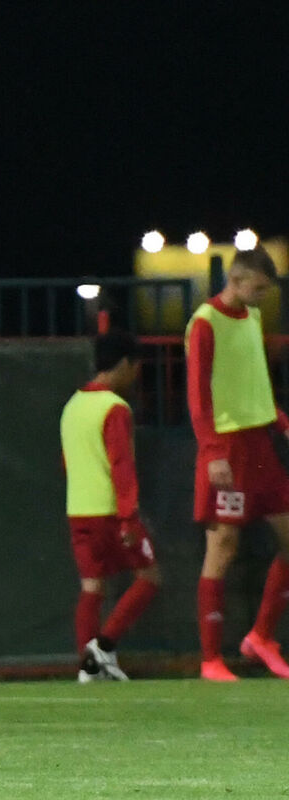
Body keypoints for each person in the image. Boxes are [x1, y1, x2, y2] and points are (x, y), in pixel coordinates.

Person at [187, 245, 289, 682]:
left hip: (259, 446)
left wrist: (282, 422)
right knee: (223, 546)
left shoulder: (253, 317)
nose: (263, 296)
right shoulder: (205, 322)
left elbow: (253, 383)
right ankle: (211, 659)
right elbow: (197, 395)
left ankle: (261, 637)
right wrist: (212, 452)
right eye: (258, 288)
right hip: (226, 447)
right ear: (236, 280)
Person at [59, 330, 161, 682]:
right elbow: (122, 465)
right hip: (110, 512)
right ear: (124, 364)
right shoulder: (114, 408)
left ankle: (88, 668)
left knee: (92, 587)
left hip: (78, 510)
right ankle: (104, 646)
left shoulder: (72, 405)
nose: (136, 374)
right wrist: (128, 518)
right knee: (149, 577)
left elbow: (67, 462)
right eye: (135, 366)